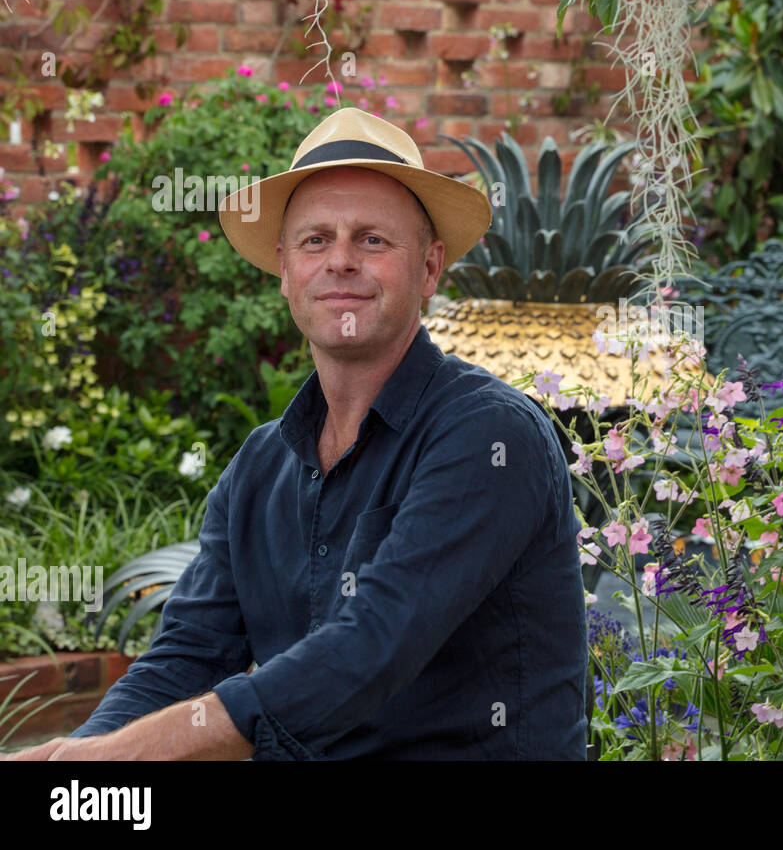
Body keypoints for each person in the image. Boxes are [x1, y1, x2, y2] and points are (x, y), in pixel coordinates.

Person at [8, 108, 589, 760]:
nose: (340, 261)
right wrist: (73, 764)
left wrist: (114, 760)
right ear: (285, 270)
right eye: (316, 241)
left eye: (372, 240)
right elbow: (185, 659)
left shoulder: (489, 436)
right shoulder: (260, 467)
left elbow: (371, 648)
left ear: (429, 269)